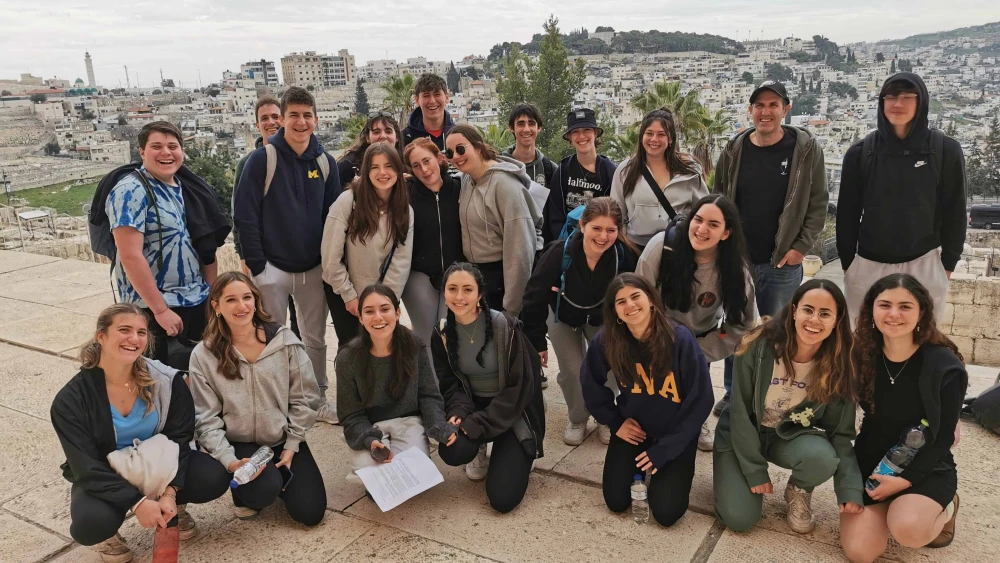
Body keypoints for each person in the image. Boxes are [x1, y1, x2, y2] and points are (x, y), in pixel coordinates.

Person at [51, 304, 229, 562]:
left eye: (141, 332)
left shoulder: (167, 381)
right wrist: (138, 503)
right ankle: (109, 534)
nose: (134, 339)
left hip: (157, 465)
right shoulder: (71, 400)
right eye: (124, 330)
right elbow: (85, 466)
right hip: (107, 471)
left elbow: (181, 436)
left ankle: (172, 505)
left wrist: (170, 491)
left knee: (212, 477)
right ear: (101, 336)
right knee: (90, 525)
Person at [713, 80, 829, 415]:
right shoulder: (734, 150)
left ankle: (765, 393)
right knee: (738, 330)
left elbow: (818, 203)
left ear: (785, 109)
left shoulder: (805, 149)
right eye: (759, 105)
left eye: (773, 105)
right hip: (740, 261)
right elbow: (719, 198)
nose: (766, 112)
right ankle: (734, 394)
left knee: (776, 333)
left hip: (782, 262)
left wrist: (799, 247)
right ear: (750, 110)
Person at [713, 279, 863, 534]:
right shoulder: (758, 346)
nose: (814, 320)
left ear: (837, 321)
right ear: (794, 311)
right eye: (808, 309)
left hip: (788, 434)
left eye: (825, 313)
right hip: (742, 433)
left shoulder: (840, 364)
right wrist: (755, 470)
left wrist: (850, 486)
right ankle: (731, 483)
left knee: (822, 458)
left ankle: (799, 489)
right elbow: (739, 412)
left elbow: (841, 433)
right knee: (740, 519)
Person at [233, 87, 341, 424]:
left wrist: (329, 263)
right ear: (283, 119)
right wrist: (258, 267)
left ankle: (316, 398)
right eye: (294, 114)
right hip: (272, 269)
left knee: (315, 339)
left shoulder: (325, 163)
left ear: (316, 119)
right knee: (272, 340)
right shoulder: (261, 160)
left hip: (313, 267)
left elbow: (334, 217)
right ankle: (280, 402)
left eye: (307, 115)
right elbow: (244, 216)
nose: (301, 121)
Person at [841, 274, 967, 562]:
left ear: (921, 311)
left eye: (905, 306)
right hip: (873, 461)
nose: (894, 314)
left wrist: (906, 480)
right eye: (884, 304)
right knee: (861, 552)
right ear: (871, 310)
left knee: (909, 531)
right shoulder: (861, 354)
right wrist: (847, 481)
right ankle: (894, 506)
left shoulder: (944, 365)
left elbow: (944, 436)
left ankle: (945, 506)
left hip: (925, 462)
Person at [188, 272, 327, 525]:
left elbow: (305, 398)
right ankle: (252, 491)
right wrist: (230, 461)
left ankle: (278, 481)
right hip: (239, 444)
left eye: (247, 297)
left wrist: (292, 445)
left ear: (256, 300)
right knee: (260, 492)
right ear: (216, 306)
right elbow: (205, 418)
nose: (241, 306)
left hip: (281, 439)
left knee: (311, 514)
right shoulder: (204, 355)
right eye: (231, 300)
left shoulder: (284, 342)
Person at [580, 273, 714, 527]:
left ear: (651, 300)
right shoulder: (608, 339)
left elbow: (702, 399)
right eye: (621, 302)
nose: (629, 305)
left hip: (675, 433)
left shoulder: (680, 338)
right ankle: (641, 464)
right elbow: (589, 381)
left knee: (666, 513)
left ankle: (660, 468)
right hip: (636, 430)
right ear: (615, 312)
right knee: (616, 501)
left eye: (635, 296)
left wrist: (667, 449)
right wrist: (615, 422)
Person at [837, 73, 967, 325]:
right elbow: (847, 214)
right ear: (881, 102)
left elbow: (955, 210)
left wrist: (947, 264)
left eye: (908, 97)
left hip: (924, 261)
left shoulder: (944, 150)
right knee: (863, 344)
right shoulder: (861, 153)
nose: (898, 104)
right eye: (891, 96)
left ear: (922, 102)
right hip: (868, 263)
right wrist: (849, 265)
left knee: (921, 343)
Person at [636, 194, 759, 451]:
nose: (702, 229)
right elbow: (637, 301)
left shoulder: (735, 270)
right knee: (655, 396)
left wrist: (704, 348)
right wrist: (652, 341)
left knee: (694, 390)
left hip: (700, 341)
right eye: (698, 219)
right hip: (657, 335)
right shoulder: (661, 248)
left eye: (714, 225)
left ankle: (698, 421)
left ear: (726, 233)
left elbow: (745, 326)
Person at [521, 197, 639, 446]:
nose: (603, 237)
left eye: (610, 230)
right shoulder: (558, 252)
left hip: (602, 317)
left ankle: (606, 417)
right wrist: (537, 340)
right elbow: (534, 296)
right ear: (583, 225)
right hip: (563, 315)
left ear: (619, 231)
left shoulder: (624, 255)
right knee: (573, 369)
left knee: (608, 367)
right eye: (596, 228)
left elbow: (635, 294)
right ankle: (578, 417)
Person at [433, 263, 546, 513]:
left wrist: (477, 424)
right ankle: (479, 446)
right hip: (474, 407)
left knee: (503, 500)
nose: (459, 297)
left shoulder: (504, 327)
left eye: (467, 289)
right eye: (452, 289)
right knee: (451, 451)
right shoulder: (441, 332)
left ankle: (517, 450)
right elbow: (449, 381)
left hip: (511, 409)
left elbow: (520, 388)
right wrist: (459, 410)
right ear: (444, 292)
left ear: (480, 295)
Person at [106, 121, 216, 365]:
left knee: (197, 378)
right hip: (153, 308)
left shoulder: (187, 186)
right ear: (142, 152)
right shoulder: (130, 191)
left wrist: (212, 296)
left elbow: (206, 244)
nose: (166, 152)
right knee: (160, 382)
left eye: (172, 146)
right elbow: (130, 255)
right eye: (157, 146)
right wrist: (160, 310)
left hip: (195, 300)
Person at [336, 284, 458, 484]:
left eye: (385, 309)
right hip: (370, 426)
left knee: (412, 476)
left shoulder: (414, 344)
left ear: (398, 312)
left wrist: (437, 425)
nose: (378, 317)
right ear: (360, 317)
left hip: (407, 423)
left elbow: (428, 394)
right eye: (369, 311)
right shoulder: (347, 358)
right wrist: (370, 440)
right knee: (374, 477)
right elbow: (350, 414)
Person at [322, 142, 414, 345]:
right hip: (345, 292)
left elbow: (401, 261)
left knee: (382, 349)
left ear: (399, 170)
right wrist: (349, 296)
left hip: (382, 296)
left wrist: (384, 303)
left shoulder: (405, 210)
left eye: (389, 166)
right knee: (351, 350)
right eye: (375, 167)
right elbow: (330, 258)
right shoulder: (348, 201)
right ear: (365, 171)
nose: (383, 172)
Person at [446, 124, 539, 316]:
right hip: (477, 279)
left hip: (502, 280)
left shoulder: (506, 186)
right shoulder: (467, 179)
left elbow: (520, 249)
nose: (455, 156)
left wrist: (512, 306)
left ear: (478, 147)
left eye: (461, 149)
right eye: (449, 152)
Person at [231, 96, 300, 338]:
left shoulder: (299, 157)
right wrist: (244, 256)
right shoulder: (249, 163)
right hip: (266, 257)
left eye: (275, 116)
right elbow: (239, 213)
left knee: (302, 325)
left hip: (300, 257)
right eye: (264, 118)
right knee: (271, 323)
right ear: (257, 125)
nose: (271, 122)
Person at [611, 109, 709, 249]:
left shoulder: (688, 171)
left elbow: (702, 209)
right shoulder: (625, 170)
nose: (654, 139)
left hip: (677, 244)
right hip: (636, 247)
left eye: (661, 134)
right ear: (641, 137)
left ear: (670, 139)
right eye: (649, 133)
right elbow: (617, 211)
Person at [401, 138, 463, 354]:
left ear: (439, 158)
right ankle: (431, 388)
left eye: (427, 161)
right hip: (419, 275)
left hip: (455, 275)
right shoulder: (405, 193)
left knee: (451, 338)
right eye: (416, 165)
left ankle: (455, 388)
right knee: (426, 339)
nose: (424, 170)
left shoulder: (460, 188)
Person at [545, 108, 617, 244]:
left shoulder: (610, 170)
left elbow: (616, 214)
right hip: (569, 242)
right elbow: (555, 217)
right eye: (575, 132)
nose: (581, 136)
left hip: (601, 241)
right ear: (570, 138)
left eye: (586, 130)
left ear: (595, 133)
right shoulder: (562, 172)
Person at [338, 112, 405, 187]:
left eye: (388, 131)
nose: (383, 136)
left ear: (397, 137)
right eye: (376, 132)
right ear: (367, 138)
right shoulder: (349, 166)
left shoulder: (407, 163)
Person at [503, 102, 557, 188]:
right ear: (511, 128)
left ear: (539, 128)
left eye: (531, 124)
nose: (526, 129)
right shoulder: (500, 166)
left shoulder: (550, 169)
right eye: (521, 124)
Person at [402, 74, 455, 149]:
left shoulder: (458, 135)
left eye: (437, 94)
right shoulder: (404, 139)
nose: (432, 101)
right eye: (426, 96)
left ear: (446, 98)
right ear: (417, 100)